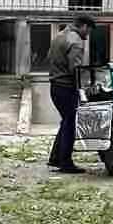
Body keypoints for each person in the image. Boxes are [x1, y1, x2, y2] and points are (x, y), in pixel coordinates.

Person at [46, 14, 95, 172]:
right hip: (66, 87)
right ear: (84, 26)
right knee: (70, 124)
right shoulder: (76, 41)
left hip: (55, 86)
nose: (88, 35)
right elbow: (75, 69)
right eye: (89, 31)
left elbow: (49, 57)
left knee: (66, 121)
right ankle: (66, 163)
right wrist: (85, 87)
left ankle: (55, 158)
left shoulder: (59, 36)